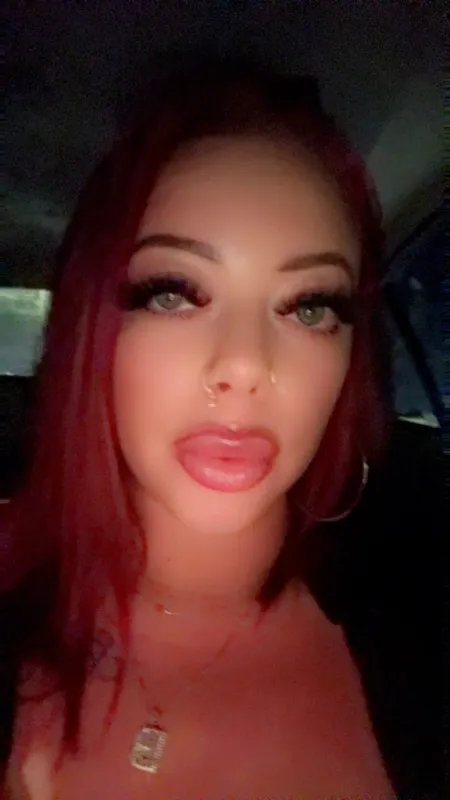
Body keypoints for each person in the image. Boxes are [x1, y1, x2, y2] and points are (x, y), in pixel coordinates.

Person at [0, 58, 435, 799]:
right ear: (90, 331)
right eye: (173, 293)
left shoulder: (423, 617)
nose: (244, 365)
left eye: (309, 307)